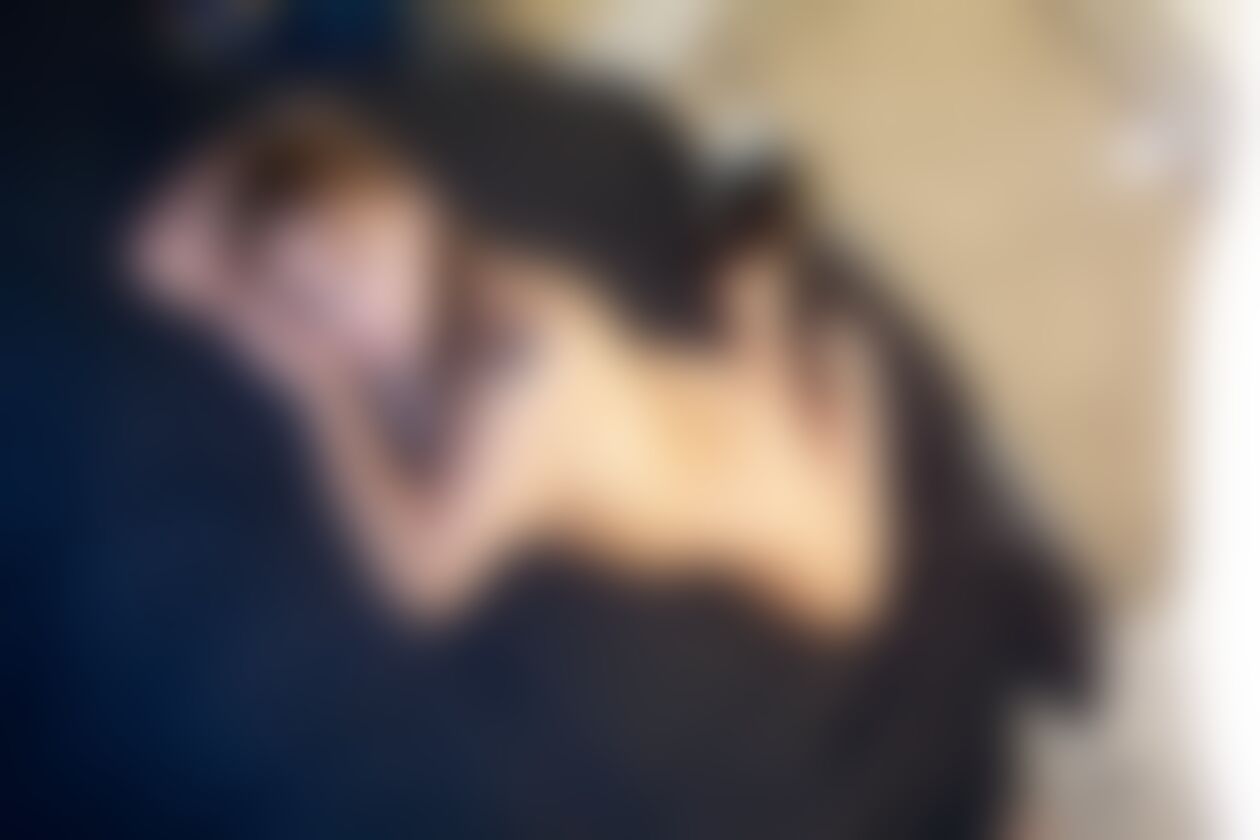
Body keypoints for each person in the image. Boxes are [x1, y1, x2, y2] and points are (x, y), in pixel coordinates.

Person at [130, 64, 1092, 837]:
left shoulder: (514, 403)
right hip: (700, 413)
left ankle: (818, 338)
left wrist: (317, 392)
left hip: (768, 503)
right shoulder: (460, 274)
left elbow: (421, 586)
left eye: (356, 273)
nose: (349, 322)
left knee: (855, 536)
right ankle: (760, 278)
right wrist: (267, 273)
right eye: (312, 300)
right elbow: (161, 251)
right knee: (755, 330)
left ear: (413, 213)